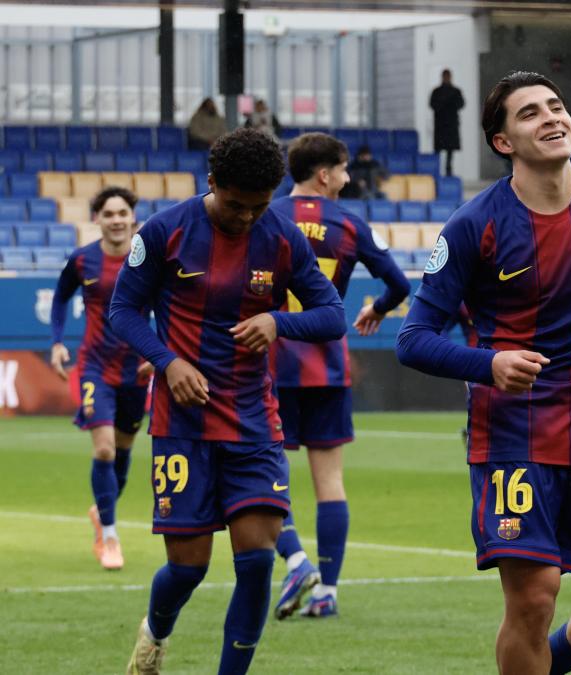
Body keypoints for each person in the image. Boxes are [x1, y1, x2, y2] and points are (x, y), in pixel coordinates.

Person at [394, 71, 571, 674]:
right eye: (530, 113)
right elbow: (413, 340)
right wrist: (489, 363)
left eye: (556, 106)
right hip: (512, 437)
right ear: (503, 142)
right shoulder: (474, 224)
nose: (551, 118)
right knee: (535, 598)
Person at [111, 127, 346, 674]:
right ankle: (156, 632)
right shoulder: (166, 230)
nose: (247, 217)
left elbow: (332, 314)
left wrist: (278, 321)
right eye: (237, 205)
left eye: (259, 206)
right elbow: (123, 310)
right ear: (213, 182)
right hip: (182, 421)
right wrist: (168, 362)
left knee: (257, 563)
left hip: (253, 421)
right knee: (188, 568)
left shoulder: (282, 237)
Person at [268, 132, 412, 620]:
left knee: (262, 473)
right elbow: (399, 283)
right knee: (330, 481)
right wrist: (378, 309)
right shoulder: (350, 224)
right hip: (326, 364)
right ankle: (327, 590)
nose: (348, 180)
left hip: (270, 361)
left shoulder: (267, 217)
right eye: (345, 170)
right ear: (325, 174)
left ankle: (296, 560)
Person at [49, 186, 152, 571]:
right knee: (105, 449)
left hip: (136, 368)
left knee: (123, 450)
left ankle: (101, 512)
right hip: (94, 366)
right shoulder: (82, 260)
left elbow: (168, 307)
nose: (116, 220)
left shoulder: (147, 260)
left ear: (133, 218)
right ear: (97, 219)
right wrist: (57, 342)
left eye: (122, 213)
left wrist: (159, 354)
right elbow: (60, 298)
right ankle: (109, 536)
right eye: (108, 214)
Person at [430, 69, 466, 176]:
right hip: (440, 125)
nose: (446, 78)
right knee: (438, 150)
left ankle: (448, 171)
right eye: (445, 76)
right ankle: (435, 170)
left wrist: (449, 103)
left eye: (448, 76)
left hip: (451, 125)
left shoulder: (456, 91)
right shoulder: (436, 92)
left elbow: (461, 104)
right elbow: (432, 105)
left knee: (450, 150)